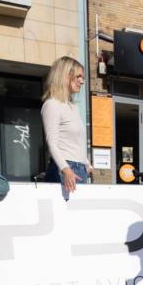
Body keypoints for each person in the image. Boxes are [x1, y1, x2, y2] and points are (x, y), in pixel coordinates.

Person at [42, 56, 92, 200]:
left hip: (79, 169)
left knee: (78, 212)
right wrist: (66, 170)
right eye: (78, 76)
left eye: (83, 77)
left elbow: (76, 142)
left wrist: (86, 163)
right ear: (65, 75)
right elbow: (52, 143)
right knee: (63, 212)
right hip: (64, 169)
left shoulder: (73, 107)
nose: (82, 81)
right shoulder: (52, 104)